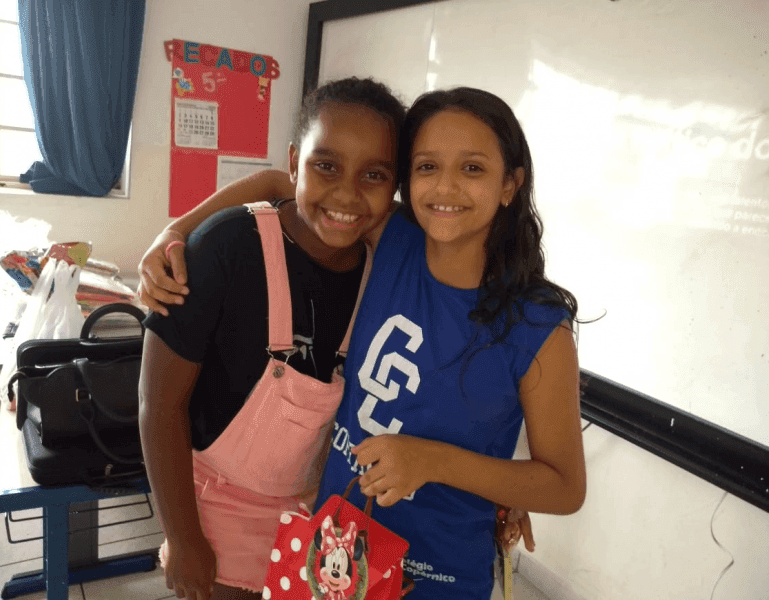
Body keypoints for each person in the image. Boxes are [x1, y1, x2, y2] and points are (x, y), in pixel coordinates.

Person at [140, 86, 584, 600]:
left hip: (436, 575)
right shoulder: (394, 238)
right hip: (334, 551)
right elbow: (283, 182)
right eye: (427, 166)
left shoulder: (538, 325)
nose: (446, 187)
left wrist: (436, 463)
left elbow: (565, 487)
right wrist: (174, 233)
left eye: (472, 168)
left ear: (510, 184)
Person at [138, 77, 405, 600]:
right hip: (213, 512)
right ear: (294, 162)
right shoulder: (225, 247)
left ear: (394, 187)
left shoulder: (382, 265)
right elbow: (159, 403)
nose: (347, 194)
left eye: (374, 175)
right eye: (326, 166)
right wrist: (184, 539)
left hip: (315, 512)